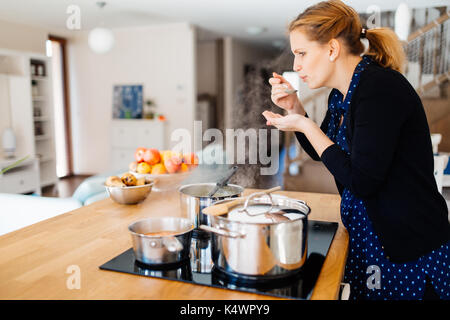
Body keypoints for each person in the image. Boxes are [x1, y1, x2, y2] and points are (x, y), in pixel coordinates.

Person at [262, 0, 450, 300]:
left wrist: (305, 126)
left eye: (301, 53)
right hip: (372, 234)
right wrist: (295, 109)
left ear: (332, 49)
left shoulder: (378, 89)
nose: (296, 65)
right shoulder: (342, 93)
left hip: (408, 242)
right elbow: (322, 150)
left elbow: (363, 180)